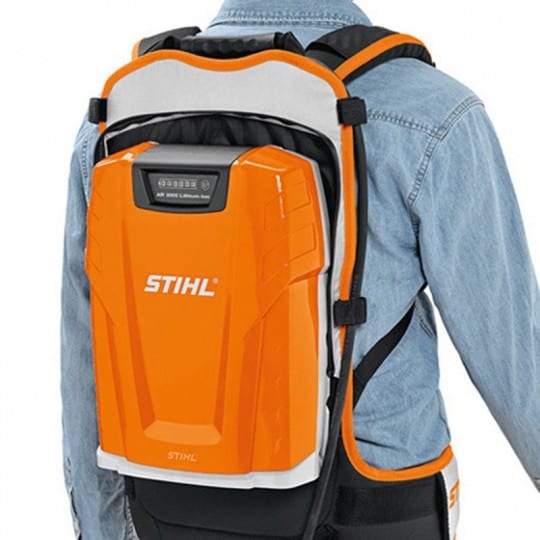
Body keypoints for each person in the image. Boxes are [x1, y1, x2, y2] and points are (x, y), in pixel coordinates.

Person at [61, 0, 540, 538]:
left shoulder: (118, 112)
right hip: (370, 505)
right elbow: (514, 352)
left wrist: (103, 528)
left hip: (165, 504)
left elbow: (87, 345)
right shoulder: (428, 110)